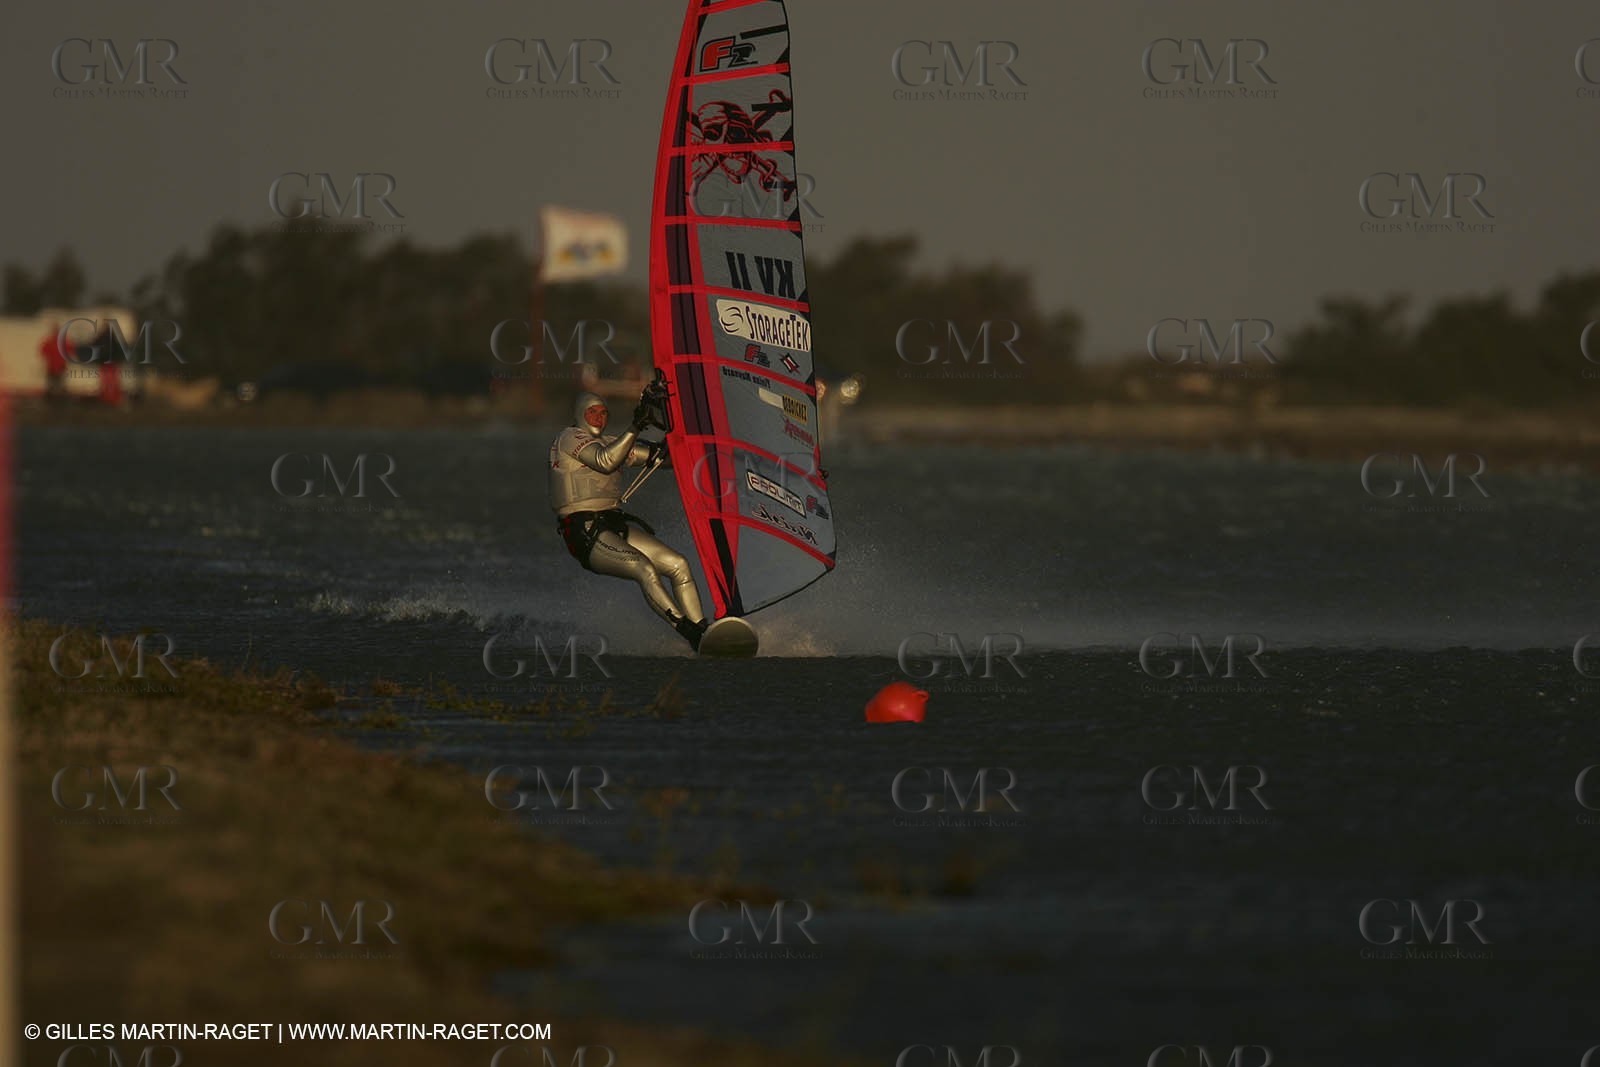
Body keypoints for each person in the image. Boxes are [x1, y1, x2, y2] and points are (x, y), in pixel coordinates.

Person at [548, 382, 709, 651]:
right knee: (644, 568)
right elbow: (605, 461)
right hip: (583, 532)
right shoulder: (569, 438)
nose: (599, 418)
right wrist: (635, 427)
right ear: (579, 415)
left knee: (678, 564)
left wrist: (681, 432)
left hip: (612, 524)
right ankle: (689, 633)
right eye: (593, 413)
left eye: (604, 413)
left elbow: (663, 459)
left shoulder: (612, 442)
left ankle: (703, 629)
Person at [38, 321, 70, 403]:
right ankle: (60, 399)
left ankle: (51, 399)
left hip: (53, 366)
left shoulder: (49, 341)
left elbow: (42, 351)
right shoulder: (64, 341)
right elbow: (71, 351)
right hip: (59, 366)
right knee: (59, 384)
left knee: (52, 384)